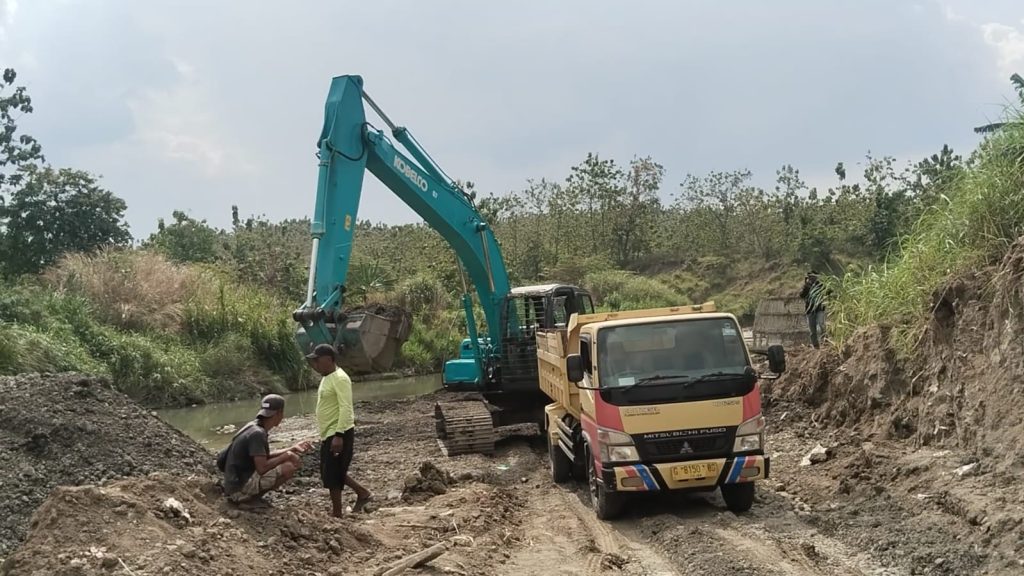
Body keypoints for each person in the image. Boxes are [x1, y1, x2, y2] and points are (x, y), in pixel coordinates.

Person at [307, 343, 373, 517]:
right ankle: (362, 493)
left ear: (329, 359)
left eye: (318, 361)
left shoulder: (340, 378)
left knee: (333, 474)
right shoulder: (327, 377)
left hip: (338, 433)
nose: (316, 365)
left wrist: (339, 435)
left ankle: (337, 513)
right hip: (329, 432)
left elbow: (346, 408)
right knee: (330, 471)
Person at [219, 394, 311, 506]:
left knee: (287, 460)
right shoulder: (258, 434)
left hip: (234, 483)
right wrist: (286, 455)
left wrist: (292, 448)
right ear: (279, 413)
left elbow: (263, 456)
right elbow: (262, 468)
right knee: (289, 467)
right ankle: (248, 499)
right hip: (238, 489)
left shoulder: (252, 427)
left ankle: (249, 497)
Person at [800, 270, 827, 348]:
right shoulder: (806, 286)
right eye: (811, 277)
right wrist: (806, 286)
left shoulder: (820, 285)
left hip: (819, 309)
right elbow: (802, 295)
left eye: (814, 277)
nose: (813, 279)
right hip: (810, 310)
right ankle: (816, 345)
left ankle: (824, 342)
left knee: (821, 325)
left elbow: (828, 291)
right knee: (812, 330)